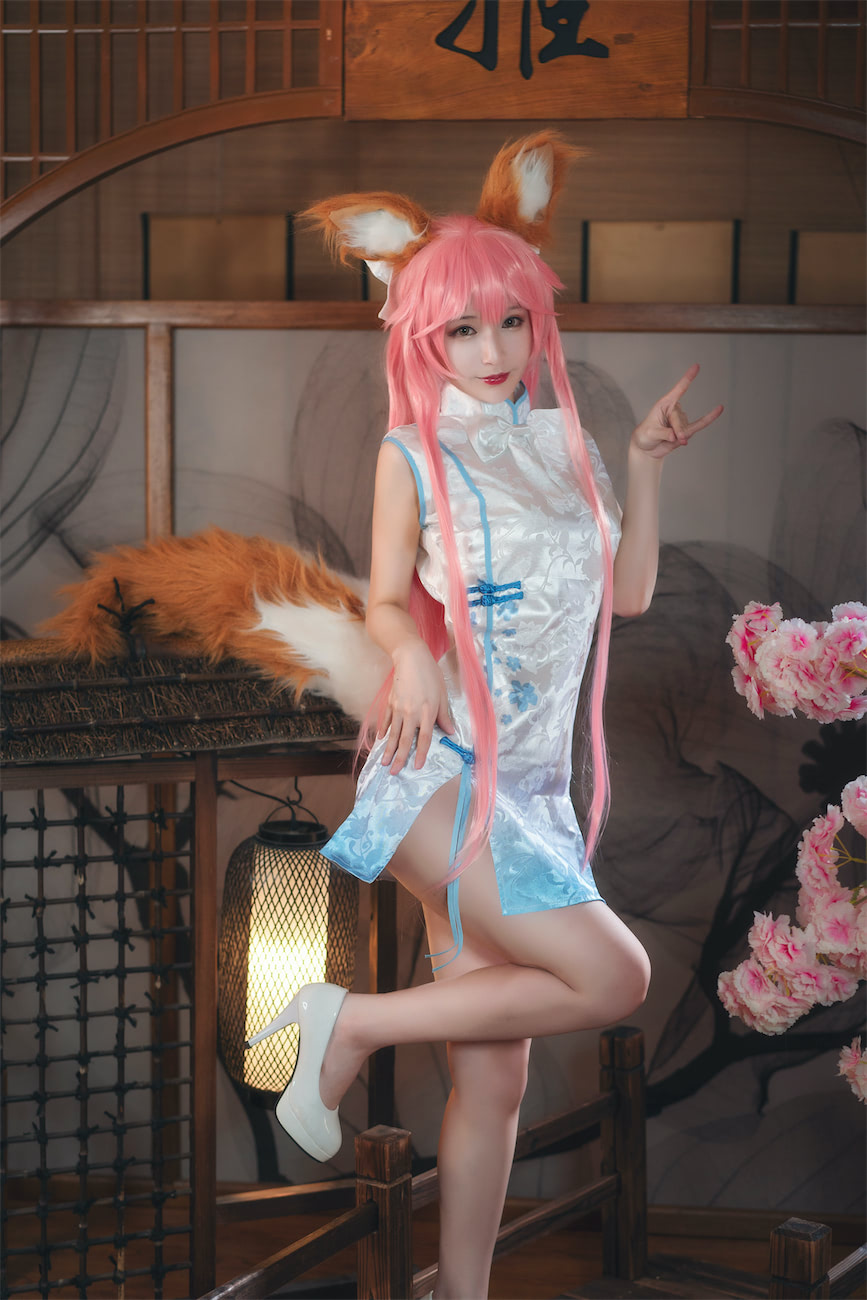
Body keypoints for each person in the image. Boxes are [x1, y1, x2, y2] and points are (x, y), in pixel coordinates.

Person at [247, 132, 723, 1300]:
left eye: (512, 321)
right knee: (615, 978)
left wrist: (643, 465)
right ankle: (349, 1022)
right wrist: (409, 653)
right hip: (443, 773)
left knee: (495, 1078)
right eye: (463, 330)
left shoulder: (568, 445)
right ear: (421, 333)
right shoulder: (410, 452)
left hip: (534, 796)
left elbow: (629, 595)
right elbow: (383, 599)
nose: (495, 350)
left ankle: (457, 1290)